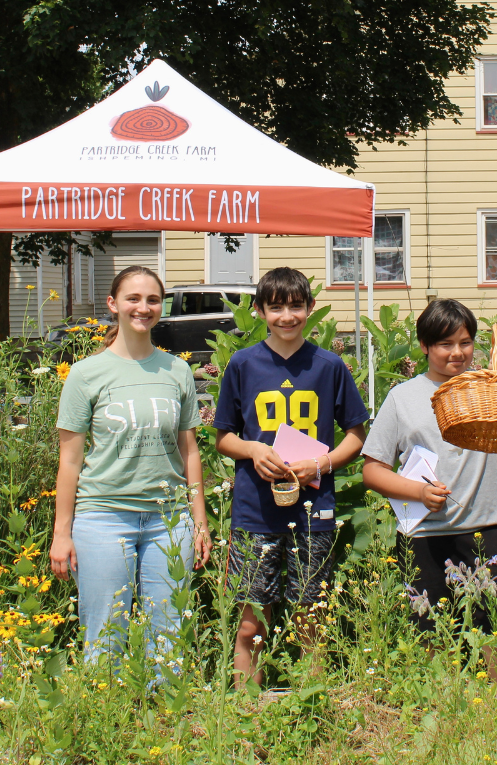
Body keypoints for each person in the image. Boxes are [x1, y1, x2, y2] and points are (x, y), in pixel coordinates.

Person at [213, 267, 369, 686]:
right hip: (255, 509)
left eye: (296, 306)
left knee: (310, 615)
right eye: (276, 307)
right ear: (259, 310)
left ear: (310, 308)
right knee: (251, 618)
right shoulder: (242, 364)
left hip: (313, 508)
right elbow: (223, 437)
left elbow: (356, 435)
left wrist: (321, 464)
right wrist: (252, 450)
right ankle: (247, 705)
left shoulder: (328, 365)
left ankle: (310, 701)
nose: (287, 316)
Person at [48, 265, 212, 662]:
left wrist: (199, 522)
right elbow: (69, 461)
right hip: (103, 518)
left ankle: (164, 701)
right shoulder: (85, 374)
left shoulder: (177, 371)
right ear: (113, 304)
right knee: (105, 636)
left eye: (153, 300)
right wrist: (61, 533)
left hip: (168, 521)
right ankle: (105, 701)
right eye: (133, 298)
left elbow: (189, 451)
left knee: (170, 637)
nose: (143, 307)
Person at [362, 299, 497, 632]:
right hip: (425, 534)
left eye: (465, 342)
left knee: (495, 633)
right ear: (424, 346)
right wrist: (418, 492)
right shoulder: (402, 398)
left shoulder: (490, 389)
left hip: (488, 527)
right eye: (445, 344)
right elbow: (372, 470)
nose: (457, 353)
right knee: (431, 634)